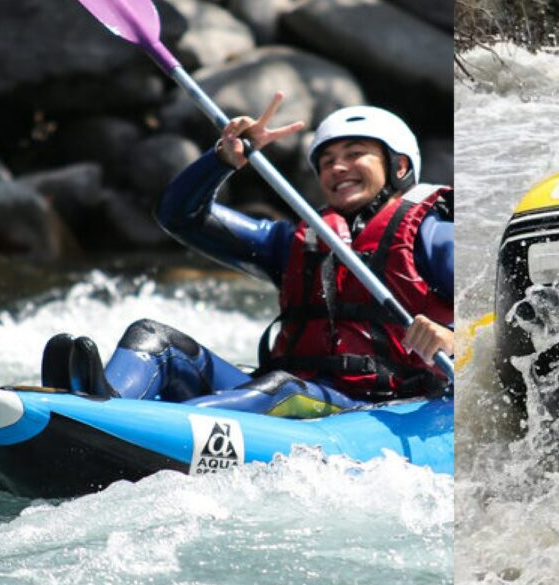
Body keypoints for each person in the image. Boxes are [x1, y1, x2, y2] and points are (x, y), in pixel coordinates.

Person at [41, 97, 454, 416]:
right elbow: (179, 216)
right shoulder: (292, 242)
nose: (337, 168)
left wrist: (455, 338)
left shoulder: (432, 235)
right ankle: (102, 407)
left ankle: (138, 429)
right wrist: (220, 160)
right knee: (152, 338)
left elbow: (493, 313)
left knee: (281, 389)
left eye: (355, 154)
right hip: (286, 391)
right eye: (327, 161)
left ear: (398, 165)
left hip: (373, 402)